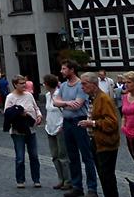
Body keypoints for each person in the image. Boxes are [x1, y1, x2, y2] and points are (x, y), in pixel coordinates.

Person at [54, 60, 97, 197]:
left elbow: (78, 105)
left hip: (79, 122)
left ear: (72, 70)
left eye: (64, 68)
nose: (61, 71)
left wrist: (62, 104)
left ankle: (92, 188)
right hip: (67, 122)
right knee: (72, 156)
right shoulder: (64, 86)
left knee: (86, 155)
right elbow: (55, 102)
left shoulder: (81, 85)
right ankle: (77, 185)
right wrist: (66, 103)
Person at [79, 73, 119, 197]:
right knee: (103, 175)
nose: (82, 87)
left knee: (107, 176)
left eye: (84, 84)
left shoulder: (103, 99)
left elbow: (112, 123)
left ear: (94, 84)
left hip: (106, 144)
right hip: (96, 141)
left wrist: (93, 123)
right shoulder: (93, 98)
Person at [4, 74, 42, 189]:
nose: (24, 85)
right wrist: (18, 113)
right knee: (20, 157)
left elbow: (36, 108)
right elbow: (7, 113)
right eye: (21, 83)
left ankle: (36, 179)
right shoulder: (10, 97)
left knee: (34, 156)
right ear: (15, 84)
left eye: (24, 83)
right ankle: (20, 180)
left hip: (31, 129)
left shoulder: (29, 95)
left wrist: (39, 115)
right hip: (17, 131)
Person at [43, 74, 71, 191]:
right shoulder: (47, 95)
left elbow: (65, 111)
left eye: (44, 83)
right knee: (54, 155)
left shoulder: (60, 94)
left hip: (60, 127)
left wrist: (62, 125)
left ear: (48, 84)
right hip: (50, 127)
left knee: (63, 155)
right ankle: (60, 179)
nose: (43, 85)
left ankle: (68, 180)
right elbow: (49, 111)